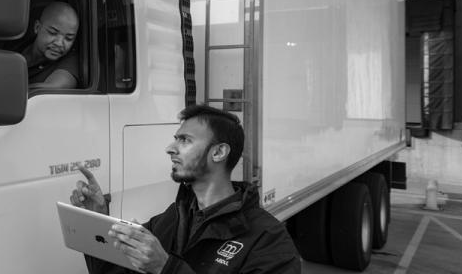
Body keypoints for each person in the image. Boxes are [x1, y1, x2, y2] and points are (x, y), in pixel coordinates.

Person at [70, 104, 301, 274]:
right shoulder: (171, 218)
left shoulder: (268, 239)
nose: (170, 148)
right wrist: (96, 219)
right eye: (175, 139)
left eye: (185, 140)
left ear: (218, 152)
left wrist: (166, 267)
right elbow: (114, 271)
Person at [22, 1, 79, 89]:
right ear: (37, 27)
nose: (59, 43)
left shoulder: (71, 61)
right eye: (53, 33)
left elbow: (53, 89)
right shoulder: (16, 43)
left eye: (68, 38)